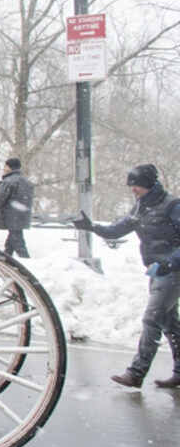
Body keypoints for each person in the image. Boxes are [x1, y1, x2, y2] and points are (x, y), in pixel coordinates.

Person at [72, 163, 180, 389]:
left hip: (172, 271)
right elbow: (118, 229)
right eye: (131, 186)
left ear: (149, 184)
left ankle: (136, 373)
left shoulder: (172, 205)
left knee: (152, 319)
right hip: (157, 271)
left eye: (137, 185)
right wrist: (92, 227)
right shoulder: (141, 207)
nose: (133, 190)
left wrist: (168, 262)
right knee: (170, 323)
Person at [0, 157, 33, 258]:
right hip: (21, 216)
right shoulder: (26, 181)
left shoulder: (8, 181)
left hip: (10, 216)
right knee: (12, 241)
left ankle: (27, 262)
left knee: (18, 243)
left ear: (9, 167)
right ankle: (5, 258)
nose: (4, 168)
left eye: (5, 166)